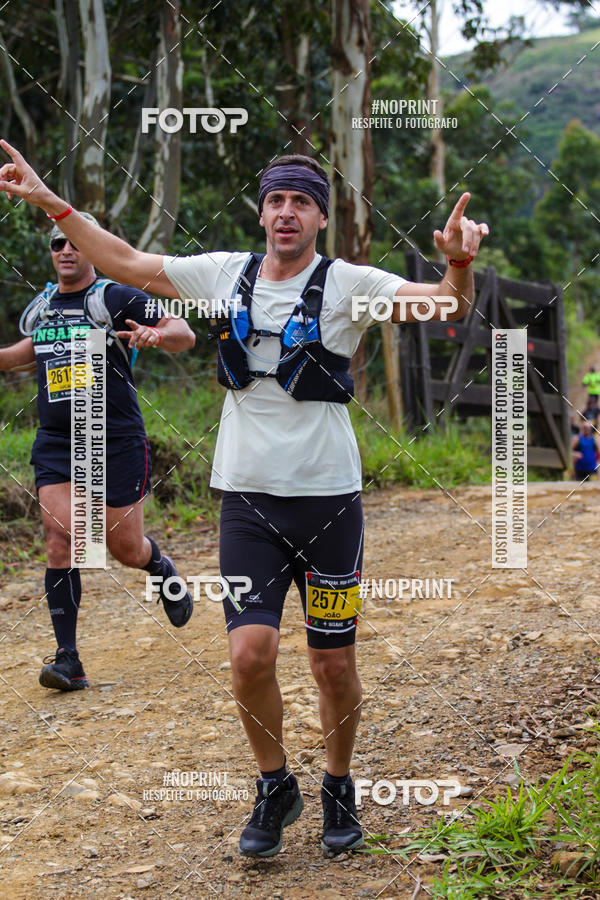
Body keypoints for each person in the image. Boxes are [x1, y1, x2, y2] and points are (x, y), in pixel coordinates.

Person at [0, 142, 488, 857]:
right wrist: (48, 200)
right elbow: (128, 263)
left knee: (332, 664)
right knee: (249, 657)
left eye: (301, 201)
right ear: (261, 212)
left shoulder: (349, 283)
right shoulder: (221, 274)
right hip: (246, 506)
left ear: (321, 216)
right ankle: (272, 785)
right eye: (275, 200)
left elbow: (444, 306)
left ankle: (339, 784)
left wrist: (458, 262)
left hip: (329, 506)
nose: (286, 212)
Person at [0, 207, 196, 692]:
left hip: (114, 439)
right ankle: (69, 660)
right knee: (61, 536)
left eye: (74, 242)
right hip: (57, 442)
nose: (66, 250)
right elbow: (25, 354)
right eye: (57, 244)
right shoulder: (44, 306)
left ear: (91, 247)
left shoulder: (112, 296)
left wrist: (155, 334)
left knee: (123, 548)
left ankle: (160, 567)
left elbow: (184, 333)